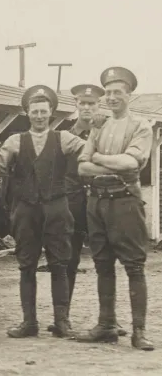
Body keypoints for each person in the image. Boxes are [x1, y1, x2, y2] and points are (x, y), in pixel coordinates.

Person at [0, 85, 85, 339]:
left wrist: (97, 128)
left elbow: (90, 151)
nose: (40, 116)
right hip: (26, 210)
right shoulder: (15, 141)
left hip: (57, 208)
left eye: (44, 111)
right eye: (35, 112)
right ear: (27, 113)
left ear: (51, 112)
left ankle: (62, 322)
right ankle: (29, 322)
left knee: (60, 265)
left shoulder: (64, 138)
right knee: (26, 265)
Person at [75, 67, 154, 351]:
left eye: (117, 93)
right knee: (102, 264)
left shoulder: (140, 126)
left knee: (134, 265)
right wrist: (107, 160)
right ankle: (106, 325)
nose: (111, 98)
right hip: (96, 201)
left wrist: (96, 156)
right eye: (107, 93)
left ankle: (139, 331)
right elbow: (82, 167)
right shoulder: (99, 126)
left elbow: (131, 164)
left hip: (125, 201)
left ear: (129, 96)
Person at [44, 84, 127, 337]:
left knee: (106, 258)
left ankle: (109, 320)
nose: (87, 108)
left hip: (103, 200)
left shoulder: (110, 131)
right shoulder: (63, 135)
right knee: (68, 259)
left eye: (92, 104)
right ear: (76, 106)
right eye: (83, 104)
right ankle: (63, 319)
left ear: (99, 105)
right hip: (74, 204)